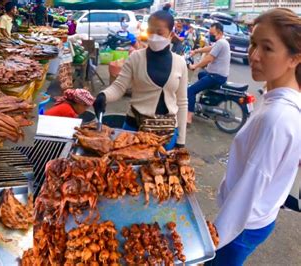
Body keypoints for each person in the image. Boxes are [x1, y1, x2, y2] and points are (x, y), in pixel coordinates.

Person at [205, 8, 300, 266]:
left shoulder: (278, 116)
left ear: (294, 59)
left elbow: (250, 186)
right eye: (253, 44)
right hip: (256, 216)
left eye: (267, 48)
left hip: (242, 224)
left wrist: (209, 241)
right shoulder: (277, 99)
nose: (254, 55)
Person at [93, 10, 188, 150]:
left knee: (160, 170)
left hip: (166, 134)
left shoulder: (180, 63)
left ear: (171, 34)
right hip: (134, 128)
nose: (154, 37)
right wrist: (103, 95)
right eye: (151, 31)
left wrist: (181, 140)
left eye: (160, 33)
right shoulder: (135, 58)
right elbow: (119, 87)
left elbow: (182, 102)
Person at [186, 22, 230, 124]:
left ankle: (189, 117)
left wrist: (195, 66)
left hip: (216, 77)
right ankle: (203, 99)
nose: (210, 35)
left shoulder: (221, 43)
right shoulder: (222, 42)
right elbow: (210, 48)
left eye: (212, 33)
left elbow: (209, 58)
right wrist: (196, 51)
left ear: (219, 32)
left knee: (190, 91)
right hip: (218, 75)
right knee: (201, 74)